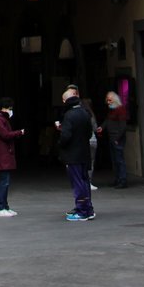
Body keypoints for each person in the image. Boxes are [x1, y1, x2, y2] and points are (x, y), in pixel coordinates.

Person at [56, 86, 95, 221]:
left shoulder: (68, 115)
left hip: (73, 155)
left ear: (65, 101)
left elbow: (66, 136)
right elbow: (89, 132)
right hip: (84, 152)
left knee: (77, 183)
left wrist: (60, 142)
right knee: (84, 181)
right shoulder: (85, 113)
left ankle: (82, 211)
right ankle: (88, 209)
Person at [0, 96, 25, 217]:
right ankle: (1, 207)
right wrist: (19, 132)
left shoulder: (2, 119)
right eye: (9, 108)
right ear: (4, 108)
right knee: (4, 182)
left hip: (5, 153)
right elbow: (5, 135)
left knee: (6, 181)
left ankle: (5, 206)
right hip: (3, 154)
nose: (11, 111)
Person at [101, 90, 128, 187]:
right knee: (115, 160)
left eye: (110, 100)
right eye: (107, 100)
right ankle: (118, 179)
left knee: (119, 160)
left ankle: (122, 180)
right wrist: (102, 127)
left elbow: (123, 126)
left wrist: (117, 138)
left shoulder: (120, 109)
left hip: (117, 138)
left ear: (115, 100)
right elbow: (107, 120)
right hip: (112, 137)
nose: (108, 102)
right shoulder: (112, 110)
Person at [81, 97, 99, 189]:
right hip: (92, 139)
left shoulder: (80, 115)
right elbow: (95, 128)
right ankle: (89, 181)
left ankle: (82, 181)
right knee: (91, 162)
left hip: (82, 141)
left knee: (81, 161)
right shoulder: (91, 115)